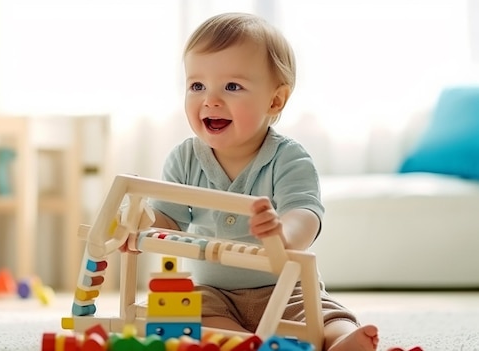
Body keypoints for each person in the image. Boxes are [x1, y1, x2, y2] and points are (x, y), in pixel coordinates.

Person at [138, 12, 380, 351]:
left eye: (232, 86)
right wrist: (140, 224)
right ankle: (244, 343)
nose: (210, 99)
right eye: (197, 86)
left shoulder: (289, 157)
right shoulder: (184, 158)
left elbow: (305, 214)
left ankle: (342, 341)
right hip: (214, 291)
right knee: (193, 317)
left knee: (326, 315)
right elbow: (168, 220)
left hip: (283, 286)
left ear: (275, 100)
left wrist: (282, 233)